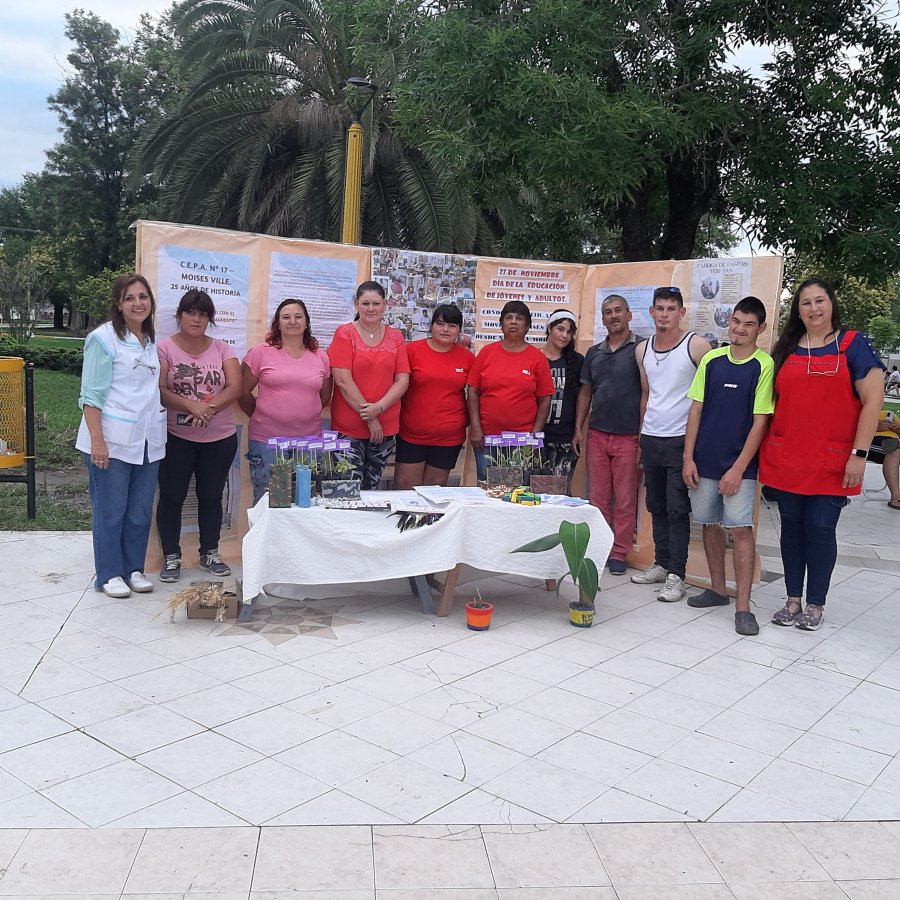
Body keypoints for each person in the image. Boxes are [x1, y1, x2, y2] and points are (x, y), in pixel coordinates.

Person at [759, 277, 884, 631]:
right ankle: (792, 599)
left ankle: (815, 603)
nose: (813, 308)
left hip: (832, 458)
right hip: (787, 455)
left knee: (819, 528)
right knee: (791, 530)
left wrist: (859, 453)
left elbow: (873, 400)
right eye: (805, 303)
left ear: (831, 304)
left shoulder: (852, 344)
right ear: (797, 310)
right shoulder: (786, 348)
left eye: (819, 301)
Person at [682, 297, 774, 636]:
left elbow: (760, 421)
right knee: (708, 524)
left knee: (740, 530)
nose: (740, 328)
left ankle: (743, 606)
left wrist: (738, 469)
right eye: (736, 321)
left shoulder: (764, 365)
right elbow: (695, 411)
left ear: (760, 328)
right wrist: (688, 456)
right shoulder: (711, 359)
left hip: (741, 466)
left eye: (748, 324)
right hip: (704, 460)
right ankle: (718, 590)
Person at [76, 273, 166, 598]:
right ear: (118, 303)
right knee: (110, 509)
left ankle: (134, 568)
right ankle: (109, 573)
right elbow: (90, 395)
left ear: (150, 302)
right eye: (129, 298)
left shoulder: (151, 340)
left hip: (147, 440)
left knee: (140, 510)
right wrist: (98, 442)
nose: (137, 303)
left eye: (143, 296)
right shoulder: (103, 339)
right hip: (110, 441)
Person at [156, 290, 241, 582]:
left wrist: (208, 408)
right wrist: (190, 405)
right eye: (191, 312)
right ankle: (171, 557)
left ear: (209, 319)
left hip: (219, 438)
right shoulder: (164, 348)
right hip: (175, 436)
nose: (196, 319)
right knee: (171, 497)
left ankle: (210, 553)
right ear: (179, 315)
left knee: (211, 496)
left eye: (203, 314)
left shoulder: (221, 349)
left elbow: (234, 386)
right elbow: (160, 389)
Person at [632, 287, 711, 601]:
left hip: (681, 440)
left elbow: (708, 398)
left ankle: (678, 574)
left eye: (670, 308)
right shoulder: (642, 350)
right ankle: (662, 564)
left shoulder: (697, 346)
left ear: (682, 312)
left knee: (679, 510)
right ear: (651, 312)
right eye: (659, 308)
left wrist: (696, 447)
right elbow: (646, 395)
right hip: (652, 437)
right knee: (657, 506)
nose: (664, 314)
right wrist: (641, 438)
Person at [574, 295, 643, 575]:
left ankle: (618, 553)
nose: (613, 316)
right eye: (607, 312)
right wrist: (579, 428)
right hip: (598, 433)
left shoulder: (642, 349)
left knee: (625, 499)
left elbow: (650, 392)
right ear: (602, 319)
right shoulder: (594, 353)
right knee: (598, 497)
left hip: (630, 435)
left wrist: (644, 435)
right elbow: (586, 391)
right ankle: (600, 548)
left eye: (618, 311)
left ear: (629, 314)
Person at [240, 298, 331, 504]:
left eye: (298, 316)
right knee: (272, 504)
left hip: (308, 443)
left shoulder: (320, 357)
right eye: (286, 317)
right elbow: (242, 391)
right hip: (269, 443)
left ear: (306, 322)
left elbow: (324, 395)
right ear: (277, 323)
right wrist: (263, 414)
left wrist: (302, 412)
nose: (292, 321)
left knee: (304, 504)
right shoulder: (260, 352)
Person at [328, 281, 410, 489]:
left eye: (376, 303)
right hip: (350, 427)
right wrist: (371, 416)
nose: (371, 308)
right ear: (356, 304)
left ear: (384, 305)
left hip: (386, 427)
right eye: (365, 303)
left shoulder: (396, 336)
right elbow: (343, 380)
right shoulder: (344, 334)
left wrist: (379, 408)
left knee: (372, 489)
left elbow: (402, 379)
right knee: (347, 490)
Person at [467, 300, 554, 480]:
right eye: (508, 317)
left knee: (519, 491)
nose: (513, 322)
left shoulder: (537, 358)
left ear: (528, 325)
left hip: (523, 441)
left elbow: (545, 399)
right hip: (487, 438)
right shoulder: (487, 353)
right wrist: (475, 427)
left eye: (519, 318)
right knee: (488, 490)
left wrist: (535, 435)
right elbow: (473, 391)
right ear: (501, 324)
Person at [393, 304, 475, 490]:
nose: (445, 329)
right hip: (411, 434)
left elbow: (475, 395)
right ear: (431, 326)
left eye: (452, 325)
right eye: (440, 324)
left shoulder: (468, 358)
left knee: (435, 491)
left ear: (459, 330)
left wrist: (471, 423)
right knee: (404, 487)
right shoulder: (412, 350)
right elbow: (396, 386)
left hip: (449, 437)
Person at [540, 309, 584, 489]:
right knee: (535, 493)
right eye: (560, 329)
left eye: (569, 331)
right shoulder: (535, 358)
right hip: (537, 437)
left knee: (557, 494)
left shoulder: (578, 361)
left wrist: (577, 429)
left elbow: (583, 397)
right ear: (549, 329)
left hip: (565, 438)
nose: (564, 335)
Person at [868, 410, 900, 509]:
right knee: (894, 448)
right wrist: (875, 426)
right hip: (873, 440)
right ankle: (896, 496)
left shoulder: (891, 414)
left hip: (894, 440)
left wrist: (898, 429)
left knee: (895, 445)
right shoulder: (865, 410)